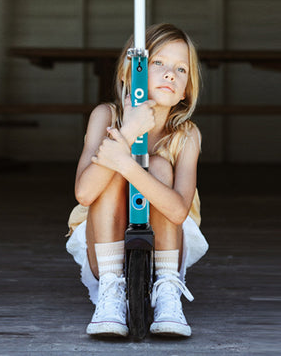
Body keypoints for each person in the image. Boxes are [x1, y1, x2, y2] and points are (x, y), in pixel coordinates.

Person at [66, 23, 209, 337]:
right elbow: (85, 193)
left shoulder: (186, 135)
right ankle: (111, 292)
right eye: (158, 63)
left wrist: (127, 164)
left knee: (157, 166)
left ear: (186, 90)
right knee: (111, 170)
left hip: (167, 244)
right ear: (129, 73)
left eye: (181, 69)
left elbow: (177, 212)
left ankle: (168, 289)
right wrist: (128, 132)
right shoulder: (106, 116)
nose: (170, 74)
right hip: (104, 240)